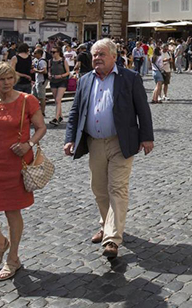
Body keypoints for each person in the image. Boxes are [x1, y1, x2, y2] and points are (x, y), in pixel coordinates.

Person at [63, 39, 153, 259]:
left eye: (101, 54)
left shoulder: (129, 78)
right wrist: (69, 138)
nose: (97, 58)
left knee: (117, 188)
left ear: (114, 56)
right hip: (94, 142)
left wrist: (147, 137)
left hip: (120, 141)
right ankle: (106, 224)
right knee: (99, 189)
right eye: (94, 55)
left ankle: (112, 238)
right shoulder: (85, 80)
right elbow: (75, 111)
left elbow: (143, 109)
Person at [0, 62, 47, 281]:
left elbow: (41, 127)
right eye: (1, 79)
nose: (6, 83)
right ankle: (0, 243)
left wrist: (29, 144)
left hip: (15, 164)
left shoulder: (27, 100)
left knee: (12, 212)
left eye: (9, 78)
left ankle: (13, 257)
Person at [47, 47, 70, 125]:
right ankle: (60, 116)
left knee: (58, 99)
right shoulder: (50, 61)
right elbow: (49, 71)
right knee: (57, 100)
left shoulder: (63, 60)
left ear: (58, 52)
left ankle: (56, 118)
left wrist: (60, 76)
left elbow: (68, 72)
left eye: (54, 52)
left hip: (62, 81)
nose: (52, 54)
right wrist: (49, 75)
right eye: (51, 52)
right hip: (53, 81)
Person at [31, 47, 48, 117]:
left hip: (41, 81)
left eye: (35, 53)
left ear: (39, 54)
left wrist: (36, 71)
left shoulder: (42, 61)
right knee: (34, 96)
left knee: (41, 97)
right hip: (37, 80)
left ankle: (43, 112)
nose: (34, 54)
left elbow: (44, 71)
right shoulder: (36, 60)